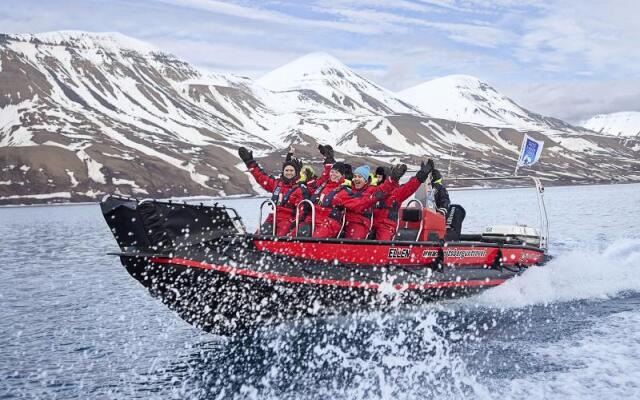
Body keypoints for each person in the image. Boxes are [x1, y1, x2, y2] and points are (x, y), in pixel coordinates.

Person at [238, 146, 331, 236]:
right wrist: (250, 163)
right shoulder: (276, 184)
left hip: (288, 220)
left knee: (280, 237)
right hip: (273, 217)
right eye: (287, 170)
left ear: (296, 173)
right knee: (261, 234)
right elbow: (261, 177)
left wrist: (295, 223)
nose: (289, 172)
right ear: (283, 172)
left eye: (291, 170)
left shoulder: (301, 189)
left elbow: (302, 211)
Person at [369, 160, 435, 240]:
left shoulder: (396, 193)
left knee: (383, 242)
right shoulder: (372, 191)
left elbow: (409, 187)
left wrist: (420, 176)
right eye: (377, 177)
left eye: (380, 177)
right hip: (370, 224)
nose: (377, 180)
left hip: (386, 226)